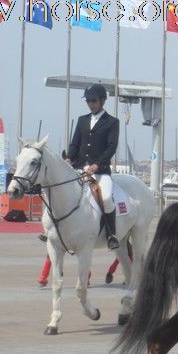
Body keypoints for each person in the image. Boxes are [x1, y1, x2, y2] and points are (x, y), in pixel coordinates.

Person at [66, 83, 120, 250]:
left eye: (94, 100)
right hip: (80, 169)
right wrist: (69, 158)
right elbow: (75, 143)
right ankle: (55, 229)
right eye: (88, 101)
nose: (91, 104)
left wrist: (98, 164)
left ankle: (111, 235)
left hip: (100, 172)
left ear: (102, 100)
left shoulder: (112, 122)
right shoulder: (82, 120)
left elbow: (112, 147)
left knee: (105, 199)